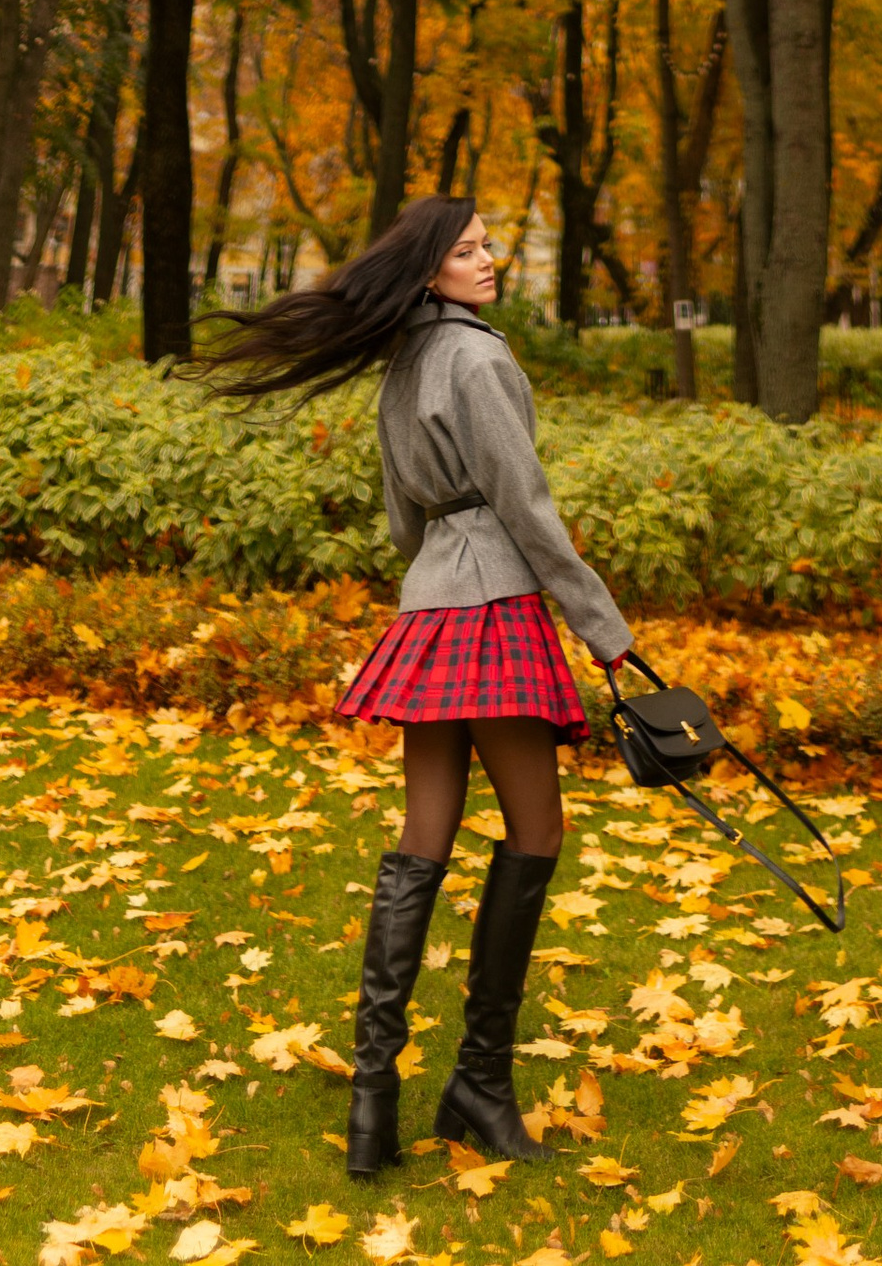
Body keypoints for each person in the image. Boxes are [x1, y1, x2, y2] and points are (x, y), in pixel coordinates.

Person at [197, 192, 632, 1179]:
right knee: (536, 833)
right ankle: (479, 1081)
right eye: (471, 251)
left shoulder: (407, 361)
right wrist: (604, 630)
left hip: (429, 606)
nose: (491, 262)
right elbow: (525, 504)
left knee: (420, 841)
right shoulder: (477, 357)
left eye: (490, 247)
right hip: (490, 609)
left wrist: (437, 566)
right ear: (430, 267)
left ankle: (372, 1105)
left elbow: (402, 512)